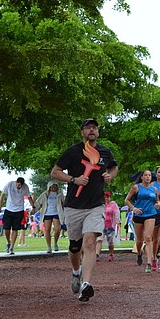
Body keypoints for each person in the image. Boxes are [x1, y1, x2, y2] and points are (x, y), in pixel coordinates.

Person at [50, 118, 119, 302]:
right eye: (88, 127)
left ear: (98, 132)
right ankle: (76, 271)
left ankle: (86, 285)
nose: (91, 130)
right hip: (74, 205)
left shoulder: (104, 151)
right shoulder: (73, 151)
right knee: (75, 246)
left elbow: (114, 167)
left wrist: (109, 175)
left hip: (96, 205)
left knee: (89, 243)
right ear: (82, 132)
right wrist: (73, 179)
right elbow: (55, 172)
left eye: (94, 127)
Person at [124, 170, 159, 273]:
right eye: (145, 175)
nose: (148, 177)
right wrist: (134, 209)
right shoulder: (136, 187)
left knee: (148, 237)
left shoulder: (154, 189)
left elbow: (157, 201)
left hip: (151, 214)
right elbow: (126, 200)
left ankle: (149, 262)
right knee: (139, 240)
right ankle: (139, 253)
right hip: (139, 214)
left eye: (149, 175)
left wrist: (158, 204)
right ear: (142, 177)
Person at [0, 177, 35, 255]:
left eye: (21, 185)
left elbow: (29, 197)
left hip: (19, 210)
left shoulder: (25, 187)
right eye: (18, 185)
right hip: (9, 209)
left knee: (15, 229)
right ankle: (8, 242)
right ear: (16, 182)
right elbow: (2, 195)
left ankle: (11, 247)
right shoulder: (10, 184)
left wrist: (33, 207)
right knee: (7, 229)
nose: (19, 187)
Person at [34, 181, 65, 254]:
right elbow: (38, 203)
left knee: (58, 229)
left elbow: (64, 203)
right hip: (47, 213)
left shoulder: (60, 194)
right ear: (49, 187)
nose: (53, 188)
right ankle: (49, 247)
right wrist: (34, 209)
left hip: (57, 213)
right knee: (47, 229)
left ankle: (55, 243)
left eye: (55, 186)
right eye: (52, 186)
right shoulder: (45, 194)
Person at [99, 192, 120, 262]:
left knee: (110, 241)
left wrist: (117, 221)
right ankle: (97, 254)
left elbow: (117, 213)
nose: (106, 198)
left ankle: (111, 254)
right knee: (99, 239)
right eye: (105, 197)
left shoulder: (113, 205)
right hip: (101, 225)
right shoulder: (101, 205)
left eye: (107, 197)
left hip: (110, 226)